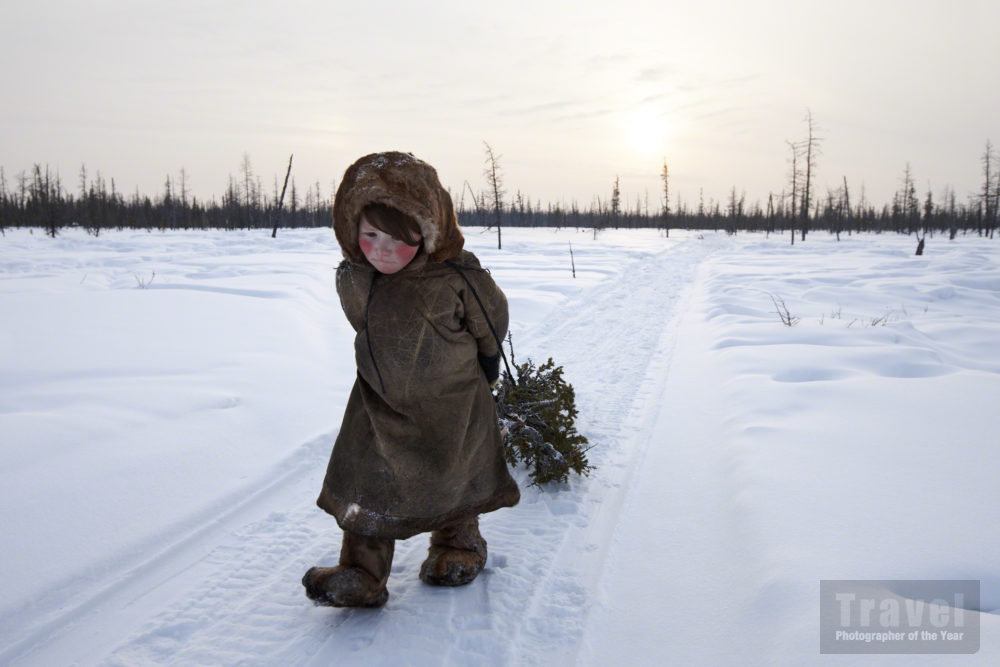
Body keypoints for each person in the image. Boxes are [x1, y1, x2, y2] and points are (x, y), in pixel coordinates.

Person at [303, 151, 520, 608]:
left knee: (453, 477)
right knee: (369, 482)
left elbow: (491, 323)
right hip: (379, 404)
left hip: (451, 402)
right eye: (370, 235)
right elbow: (364, 325)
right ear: (351, 230)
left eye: (399, 239)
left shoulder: (458, 276)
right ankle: (362, 574)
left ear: (428, 233)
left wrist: (485, 366)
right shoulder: (356, 277)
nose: (381, 249)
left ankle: (458, 547)